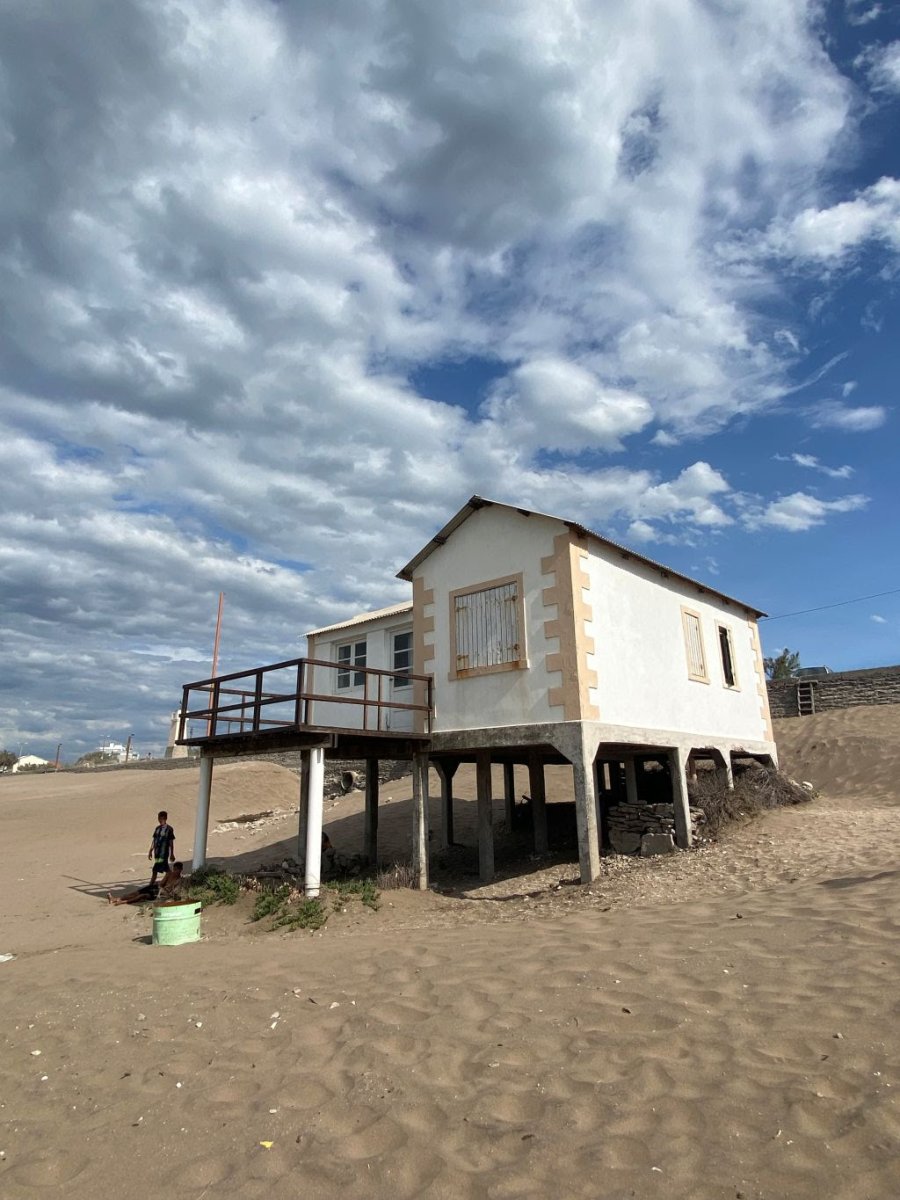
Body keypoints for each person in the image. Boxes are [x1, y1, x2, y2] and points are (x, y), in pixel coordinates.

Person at [108, 862, 184, 906]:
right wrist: (159, 885)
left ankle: (124, 902)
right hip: (157, 888)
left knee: (142, 895)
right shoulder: (169, 874)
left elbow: (173, 892)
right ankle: (116, 899)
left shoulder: (180, 881)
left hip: (161, 893)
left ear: (180, 870)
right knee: (136, 892)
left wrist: (163, 890)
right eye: (174, 869)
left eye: (176, 870)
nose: (175, 871)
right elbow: (161, 883)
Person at [149, 810, 175, 883]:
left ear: (166, 818)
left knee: (155, 869)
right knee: (165, 868)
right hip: (157, 853)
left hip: (163, 854)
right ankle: (170, 880)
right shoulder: (157, 829)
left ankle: (151, 884)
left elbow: (171, 842)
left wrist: (172, 854)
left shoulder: (169, 829)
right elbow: (154, 840)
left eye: (163, 819)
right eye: (160, 819)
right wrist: (150, 850)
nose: (161, 820)